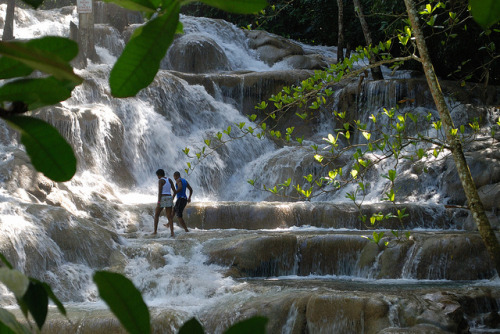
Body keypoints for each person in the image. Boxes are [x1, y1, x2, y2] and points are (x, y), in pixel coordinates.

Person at [153, 169, 176, 236]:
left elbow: (160, 192)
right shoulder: (169, 179)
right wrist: (172, 197)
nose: (157, 177)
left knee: (156, 215)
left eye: (157, 175)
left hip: (163, 198)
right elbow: (174, 190)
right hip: (169, 197)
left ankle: (155, 231)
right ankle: (172, 233)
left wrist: (159, 201)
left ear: (159, 175)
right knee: (169, 216)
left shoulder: (160, 180)